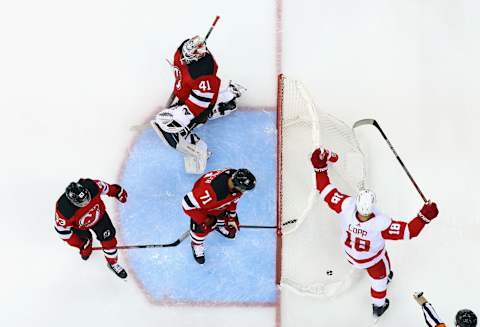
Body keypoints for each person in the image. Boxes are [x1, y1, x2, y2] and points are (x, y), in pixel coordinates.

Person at [310, 147, 439, 318]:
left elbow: (325, 189)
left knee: (371, 264)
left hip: (350, 256)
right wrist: (424, 216)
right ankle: (379, 305)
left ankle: (378, 296)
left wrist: (319, 167)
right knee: (380, 280)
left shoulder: (346, 206)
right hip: (372, 261)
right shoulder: (380, 224)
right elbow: (409, 231)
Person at [151, 35, 246, 174]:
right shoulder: (184, 48)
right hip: (188, 92)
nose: (185, 58)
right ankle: (227, 99)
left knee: (197, 118)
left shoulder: (203, 72)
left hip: (199, 102)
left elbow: (199, 104)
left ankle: (199, 149)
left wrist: (183, 115)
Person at [54, 179, 128, 279]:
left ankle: (112, 263)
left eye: (87, 198)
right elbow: (62, 232)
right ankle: (85, 242)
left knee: (109, 239)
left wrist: (118, 192)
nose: (87, 202)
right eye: (82, 202)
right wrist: (79, 243)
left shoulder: (92, 186)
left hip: (100, 217)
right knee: (85, 244)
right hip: (79, 227)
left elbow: (107, 188)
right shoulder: (64, 210)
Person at [182, 168, 256, 264]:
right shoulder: (210, 192)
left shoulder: (233, 176)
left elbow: (233, 200)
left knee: (228, 225)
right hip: (202, 209)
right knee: (201, 229)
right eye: (244, 189)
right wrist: (204, 219)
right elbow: (186, 204)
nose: (244, 192)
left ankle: (218, 226)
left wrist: (231, 217)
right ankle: (196, 244)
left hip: (217, 206)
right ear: (238, 186)